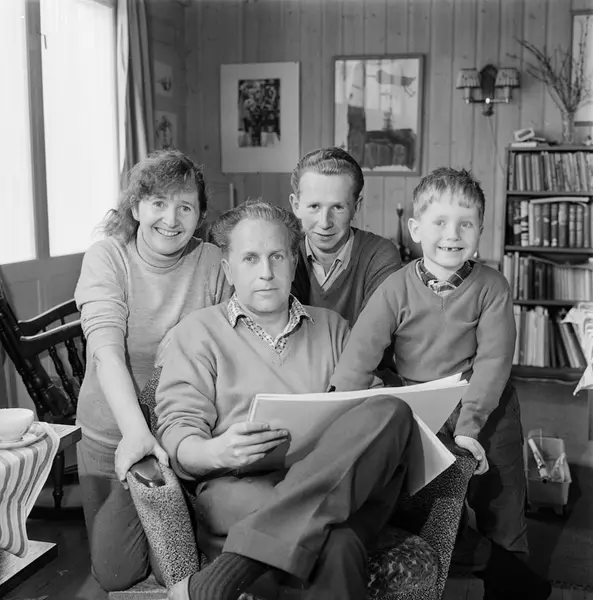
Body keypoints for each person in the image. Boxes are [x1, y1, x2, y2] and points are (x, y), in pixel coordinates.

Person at [155, 199, 413, 600]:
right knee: (339, 543)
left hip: (337, 481)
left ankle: (225, 575)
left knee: (392, 410)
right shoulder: (197, 333)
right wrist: (217, 451)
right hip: (241, 486)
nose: (266, 272)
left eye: (277, 256)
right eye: (250, 258)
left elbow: (372, 422)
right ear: (228, 269)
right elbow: (178, 435)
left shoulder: (334, 328)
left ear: (294, 263)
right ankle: (270, 545)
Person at [330, 167, 551, 600]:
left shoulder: (492, 287)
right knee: (431, 499)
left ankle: (512, 584)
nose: (452, 234)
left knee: (501, 498)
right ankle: (453, 562)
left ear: (480, 231)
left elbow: (493, 362)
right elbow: (360, 354)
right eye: (440, 222)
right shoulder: (394, 288)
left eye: (466, 224)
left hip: (486, 403)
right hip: (422, 403)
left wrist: (470, 427)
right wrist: (338, 408)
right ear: (416, 229)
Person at [74, 149, 232, 592]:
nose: (171, 218)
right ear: (136, 207)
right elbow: (105, 352)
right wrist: (135, 434)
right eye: (159, 202)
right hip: (113, 433)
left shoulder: (213, 261)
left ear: (200, 214)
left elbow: (233, 340)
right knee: (117, 571)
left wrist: (184, 338)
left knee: (172, 569)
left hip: (182, 434)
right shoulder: (108, 256)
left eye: (185, 206)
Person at [289, 147, 402, 326]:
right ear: (296, 206)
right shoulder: (284, 254)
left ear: (356, 207)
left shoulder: (380, 255)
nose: (324, 223)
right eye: (314, 206)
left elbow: (376, 333)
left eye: (338, 207)